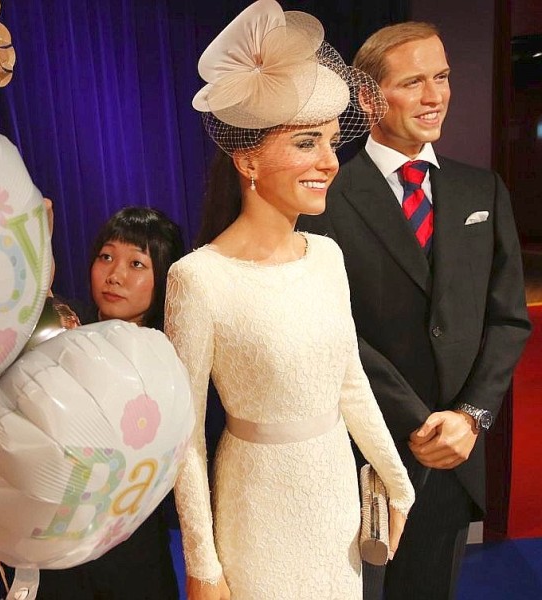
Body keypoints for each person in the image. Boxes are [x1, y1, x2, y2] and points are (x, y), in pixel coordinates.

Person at [164, 2, 415, 599]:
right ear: (248, 160)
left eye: (330, 143)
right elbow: (184, 437)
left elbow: (350, 381)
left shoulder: (326, 256)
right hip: (256, 510)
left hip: (335, 503)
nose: (329, 162)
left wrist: (396, 482)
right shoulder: (197, 280)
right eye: (308, 143)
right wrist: (203, 563)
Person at [298, 21, 531, 600]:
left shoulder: (485, 192)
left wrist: (469, 417)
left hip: (455, 455)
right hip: (361, 455)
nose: (436, 97)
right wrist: (416, 420)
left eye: (443, 77)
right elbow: (332, 329)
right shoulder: (323, 198)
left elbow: (507, 319)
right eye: (414, 82)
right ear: (368, 97)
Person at [37, 206, 184, 599]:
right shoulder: (64, 332)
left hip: (132, 554)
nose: (115, 275)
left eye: (137, 263)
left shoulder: (168, 359)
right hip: (58, 549)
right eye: (106, 256)